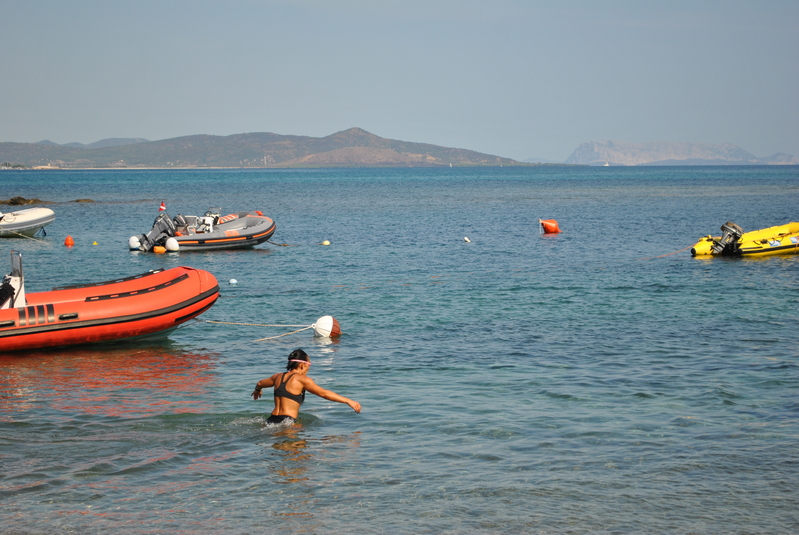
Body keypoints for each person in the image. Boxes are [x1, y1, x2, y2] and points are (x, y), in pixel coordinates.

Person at [252, 348, 361, 425]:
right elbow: (323, 393)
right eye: (309, 365)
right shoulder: (302, 380)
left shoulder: (277, 377)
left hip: (271, 420)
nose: (308, 368)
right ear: (302, 365)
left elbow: (260, 383)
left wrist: (257, 390)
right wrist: (348, 401)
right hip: (287, 422)